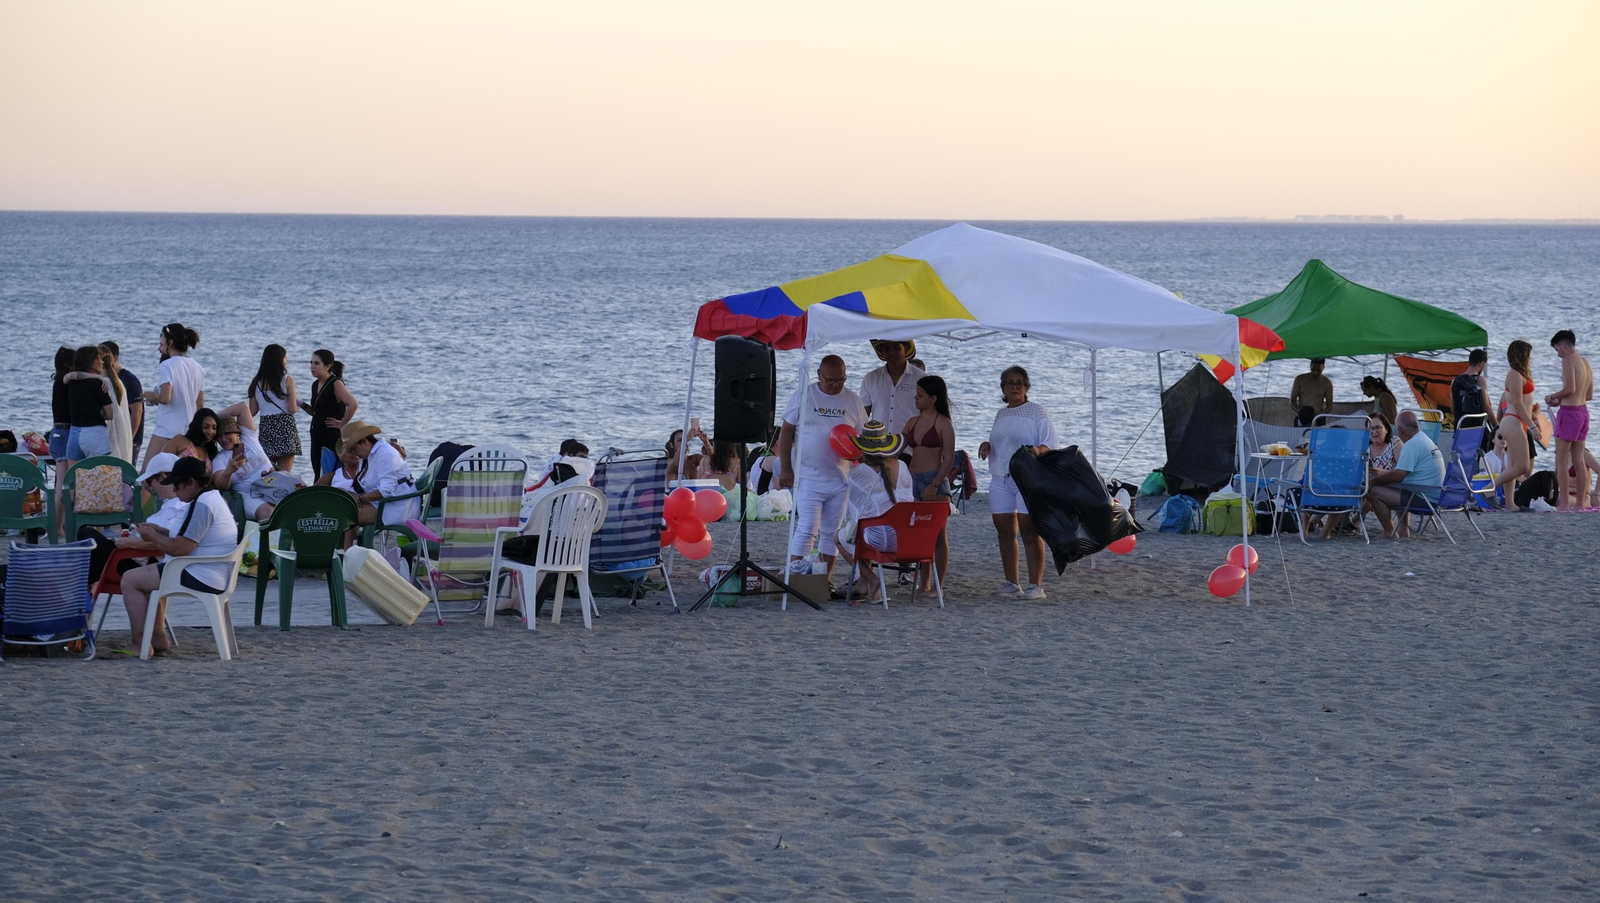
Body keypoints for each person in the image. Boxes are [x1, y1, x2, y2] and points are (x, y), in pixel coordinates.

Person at [116, 457, 239, 656]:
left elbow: (180, 549)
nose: (174, 491)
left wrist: (152, 536)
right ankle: (156, 638)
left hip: (200, 574)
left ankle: (141, 644)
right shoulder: (210, 498)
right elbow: (188, 537)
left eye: (177, 486)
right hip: (212, 571)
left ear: (190, 482)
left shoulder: (202, 506)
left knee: (130, 580)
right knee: (146, 576)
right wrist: (161, 531)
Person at [778, 354, 866, 587]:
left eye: (841, 380)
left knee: (832, 531)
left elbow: (862, 438)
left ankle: (822, 582)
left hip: (841, 477)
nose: (837, 385)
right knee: (807, 527)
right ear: (819, 375)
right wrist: (786, 468)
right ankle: (795, 580)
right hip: (808, 475)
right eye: (831, 381)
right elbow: (786, 432)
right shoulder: (803, 395)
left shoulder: (853, 401)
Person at [978, 366, 1058, 599]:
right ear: (1003, 388)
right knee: (1004, 529)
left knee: (1029, 530)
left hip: (1028, 477)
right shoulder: (1001, 414)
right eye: (1009, 383)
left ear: (1026, 387)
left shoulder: (1036, 412)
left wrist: (1037, 449)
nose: (1014, 387)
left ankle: (1036, 586)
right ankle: (1012, 582)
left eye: (1019, 383)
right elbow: (1002, 441)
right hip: (1000, 476)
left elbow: (1050, 442)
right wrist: (987, 445)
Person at [79, 453, 188, 584]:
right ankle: (85, 589)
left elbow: (166, 543)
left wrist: (128, 543)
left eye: (149, 482)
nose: (150, 487)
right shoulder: (170, 505)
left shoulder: (178, 508)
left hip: (143, 564)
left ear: (162, 478)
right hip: (137, 557)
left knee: (87, 535)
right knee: (89, 555)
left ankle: (83, 591)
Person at [837, 422, 909, 601]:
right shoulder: (903, 466)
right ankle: (863, 584)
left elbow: (854, 516)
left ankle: (872, 579)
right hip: (908, 539)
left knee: (840, 536)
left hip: (881, 540)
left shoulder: (859, 472)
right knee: (868, 524)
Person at [904, 375, 955, 591]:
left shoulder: (943, 423)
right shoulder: (912, 422)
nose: (915, 398)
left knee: (938, 536)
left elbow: (950, 458)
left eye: (920, 394)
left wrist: (934, 485)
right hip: (912, 481)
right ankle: (924, 583)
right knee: (922, 535)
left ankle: (937, 586)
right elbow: (896, 446)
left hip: (934, 480)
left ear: (933, 398)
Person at [1366, 411, 1444, 539]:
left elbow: (1398, 476)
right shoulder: (1425, 439)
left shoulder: (1412, 445)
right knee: (1395, 488)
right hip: (1436, 495)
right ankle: (1402, 531)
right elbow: (1401, 473)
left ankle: (1389, 531)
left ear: (1400, 430)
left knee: (1375, 491)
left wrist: (1373, 482)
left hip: (1426, 499)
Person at [140, 323, 205, 470]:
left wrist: (150, 395)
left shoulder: (167, 365)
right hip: (188, 431)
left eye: (161, 343)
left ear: (170, 343)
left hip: (166, 430)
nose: (159, 348)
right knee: (178, 476)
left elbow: (165, 398)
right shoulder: (198, 368)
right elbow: (200, 404)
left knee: (147, 474)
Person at [339, 420, 419, 529]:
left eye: (354, 448)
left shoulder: (384, 453)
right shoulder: (368, 456)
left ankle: (346, 546)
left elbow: (386, 491)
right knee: (339, 507)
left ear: (365, 441)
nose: (353, 453)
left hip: (398, 507)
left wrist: (358, 497)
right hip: (386, 503)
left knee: (342, 513)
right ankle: (347, 546)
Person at [1544, 331, 1592, 511]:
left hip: (1570, 414)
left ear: (1563, 345)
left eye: (1557, 349)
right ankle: (1580, 503)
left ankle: (1564, 503)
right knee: (1579, 459)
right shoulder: (1586, 363)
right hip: (1583, 412)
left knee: (1562, 460)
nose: (1558, 354)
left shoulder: (1568, 360)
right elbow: (1588, 394)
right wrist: (1562, 400)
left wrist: (1552, 397)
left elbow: (1570, 388)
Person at [1491, 340, 1537, 504]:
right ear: (1521, 355)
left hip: (1517, 421)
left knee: (1511, 465)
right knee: (1522, 467)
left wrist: (1532, 415)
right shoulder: (1515, 375)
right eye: (1528, 355)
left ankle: (1510, 504)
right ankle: (1489, 489)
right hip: (1513, 421)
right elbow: (1516, 403)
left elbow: (1520, 401)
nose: (1530, 359)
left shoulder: (1518, 375)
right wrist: (1532, 426)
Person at [302, 349, 357, 479]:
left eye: (316, 363)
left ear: (327, 366)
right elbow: (317, 412)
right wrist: (301, 405)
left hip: (330, 438)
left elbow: (353, 404)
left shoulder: (335, 383)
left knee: (328, 472)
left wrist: (342, 423)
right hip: (316, 437)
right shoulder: (316, 384)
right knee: (317, 470)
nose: (312, 367)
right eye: (311, 363)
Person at [248, 343, 302, 470]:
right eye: (285, 358)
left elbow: (252, 411)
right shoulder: (287, 380)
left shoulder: (257, 382)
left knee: (267, 472)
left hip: (266, 428)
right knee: (284, 475)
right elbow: (292, 409)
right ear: (280, 360)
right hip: (285, 427)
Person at [858, 339, 925, 433]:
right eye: (887, 349)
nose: (892, 352)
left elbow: (929, 413)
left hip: (911, 444)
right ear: (882, 352)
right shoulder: (870, 378)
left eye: (897, 348)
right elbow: (862, 417)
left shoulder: (921, 378)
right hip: (878, 444)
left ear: (905, 350)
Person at [62, 345, 115, 464]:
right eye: (99, 358)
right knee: (100, 474)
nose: (102, 362)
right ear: (92, 362)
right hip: (94, 433)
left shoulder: (71, 383)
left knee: (74, 477)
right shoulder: (99, 384)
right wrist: (100, 413)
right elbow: (110, 414)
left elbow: (69, 376)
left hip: (74, 432)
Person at [103, 342, 144, 461]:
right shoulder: (109, 380)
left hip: (129, 439)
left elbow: (137, 410)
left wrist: (129, 439)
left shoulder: (128, 379)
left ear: (115, 358)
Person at [1451, 348, 1496, 432]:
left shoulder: (1455, 381)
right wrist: (1497, 426)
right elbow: (1486, 407)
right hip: (1477, 429)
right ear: (1481, 364)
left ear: (1470, 362)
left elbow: (1453, 408)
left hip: (1460, 427)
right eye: (1484, 365)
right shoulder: (1481, 380)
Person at [1290, 358, 1334, 426]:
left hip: (1318, 418)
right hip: (1301, 417)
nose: (1315, 373)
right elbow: (1292, 401)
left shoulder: (1327, 383)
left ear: (1323, 367)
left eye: (1319, 371)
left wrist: (1320, 414)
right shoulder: (1300, 379)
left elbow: (1330, 406)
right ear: (1310, 366)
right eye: (1313, 370)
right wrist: (1299, 411)